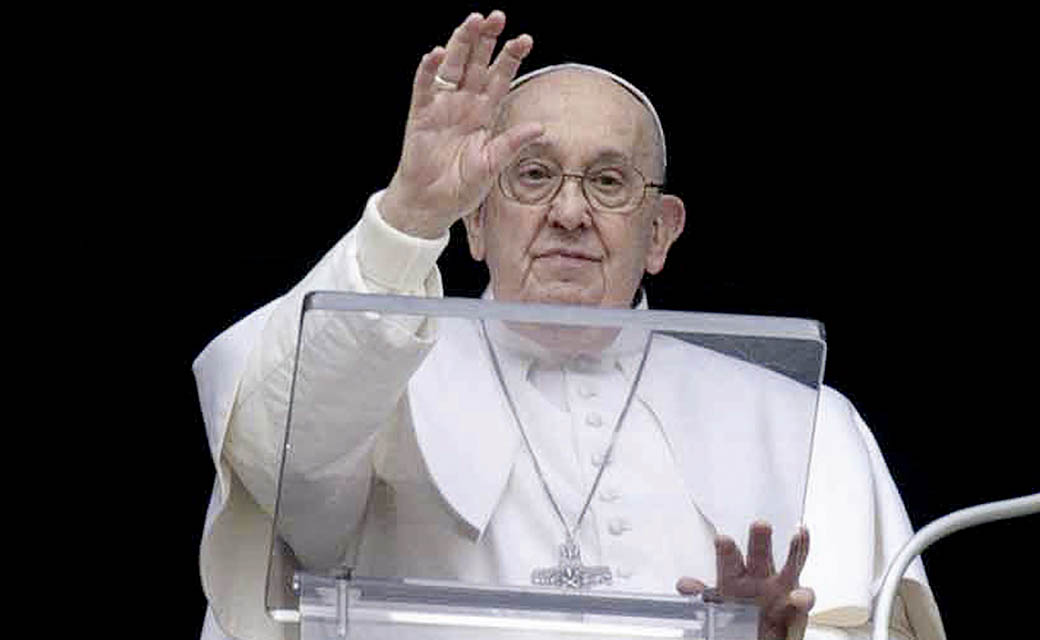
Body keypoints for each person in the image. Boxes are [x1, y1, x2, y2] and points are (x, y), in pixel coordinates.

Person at [194, 10, 943, 640]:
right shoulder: (372, 376)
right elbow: (278, 462)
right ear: (476, 222)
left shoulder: (804, 425)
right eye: (532, 174)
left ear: (660, 234)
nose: (570, 212)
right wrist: (411, 214)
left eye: (610, 181)